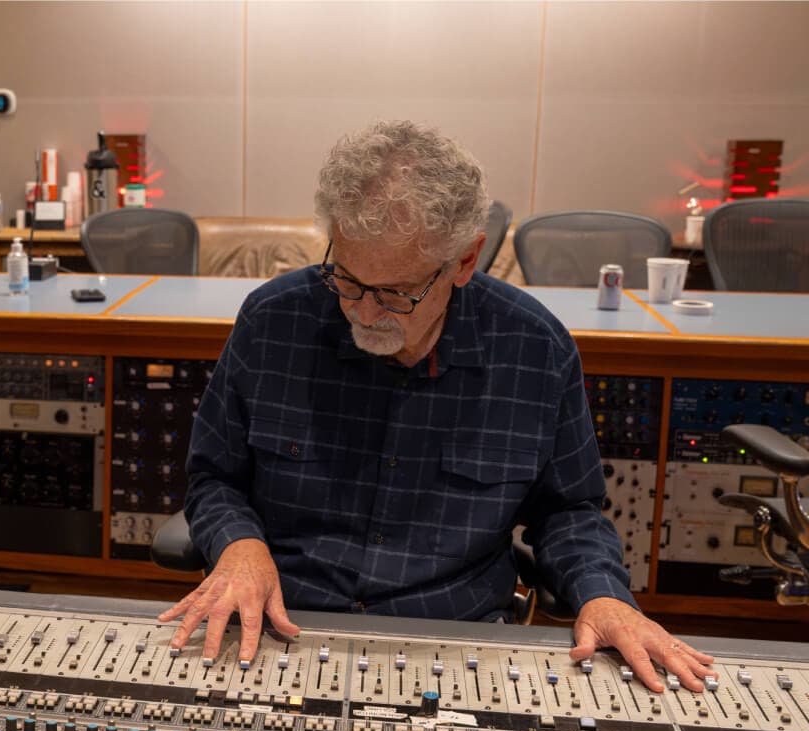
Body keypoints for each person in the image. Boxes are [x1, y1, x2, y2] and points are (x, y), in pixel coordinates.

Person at [159, 121, 715, 695]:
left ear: (466, 260)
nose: (366, 314)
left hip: (456, 642)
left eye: (397, 293)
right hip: (282, 625)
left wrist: (603, 594)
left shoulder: (534, 348)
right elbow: (214, 477)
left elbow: (568, 511)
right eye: (347, 280)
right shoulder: (273, 321)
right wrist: (240, 547)